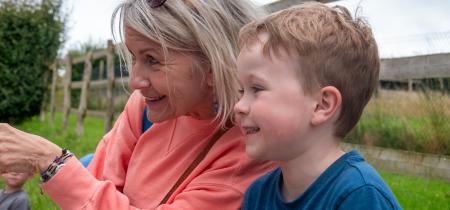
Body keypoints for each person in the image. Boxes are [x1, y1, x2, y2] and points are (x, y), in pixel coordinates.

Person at [0, 0, 279, 209]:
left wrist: (52, 163)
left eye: (152, 59)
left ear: (213, 63)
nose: (134, 81)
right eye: (133, 57)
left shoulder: (248, 154)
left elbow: (87, 195)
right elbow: (97, 185)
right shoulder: (146, 106)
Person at [234, 2, 402, 209]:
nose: (239, 106)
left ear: (322, 105)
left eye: (257, 89)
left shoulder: (359, 195)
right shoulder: (257, 194)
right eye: (242, 91)